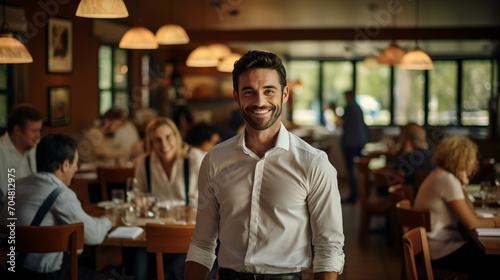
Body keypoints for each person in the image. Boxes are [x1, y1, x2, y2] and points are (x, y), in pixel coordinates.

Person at [185, 50, 345, 280]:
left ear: (285, 94)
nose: (259, 101)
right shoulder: (215, 160)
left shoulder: (314, 162)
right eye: (249, 92)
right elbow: (202, 243)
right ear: (236, 97)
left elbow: (328, 249)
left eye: (269, 91)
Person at [0, 134, 113, 279]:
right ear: (65, 165)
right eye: (77, 163)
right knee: (112, 271)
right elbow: (94, 236)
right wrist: (109, 220)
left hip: (12, 273)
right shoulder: (61, 195)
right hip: (50, 276)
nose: (77, 169)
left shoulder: (15, 185)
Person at [128, 117, 207, 280]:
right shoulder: (145, 163)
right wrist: (141, 202)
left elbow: (215, 192)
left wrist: (201, 196)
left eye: (168, 137)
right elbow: (138, 194)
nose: (164, 144)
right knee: (135, 261)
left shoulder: (195, 158)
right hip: (157, 228)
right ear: (151, 142)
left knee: (172, 271)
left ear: (176, 137)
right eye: (157, 140)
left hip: (188, 232)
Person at [413, 135, 500, 279]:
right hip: (438, 252)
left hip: (431, 248)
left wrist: (462, 183)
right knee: (490, 258)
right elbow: (472, 223)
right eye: (472, 157)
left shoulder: (441, 175)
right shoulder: (447, 180)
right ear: (463, 158)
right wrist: (497, 221)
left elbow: (470, 213)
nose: (474, 162)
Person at [0, 103, 43, 210]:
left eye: (39, 130)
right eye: (34, 131)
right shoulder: (1, 152)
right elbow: (5, 198)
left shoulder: (36, 148)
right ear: (17, 130)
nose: (38, 136)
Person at [335, 90, 369, 203]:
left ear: (349, 97)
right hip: (359, 142)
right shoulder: (358, 108)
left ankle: (354, 195)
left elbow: (340, 123)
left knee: (351, 170)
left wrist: (333, 110)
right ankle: (361, 194)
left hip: (350, 143)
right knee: (357, 169)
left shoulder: (349, 108)